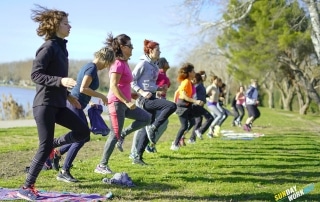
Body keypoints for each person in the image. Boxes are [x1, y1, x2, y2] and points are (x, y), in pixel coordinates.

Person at [17, 5, 91, 201]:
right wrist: (61, 81)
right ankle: (26, 187)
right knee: (43, 146)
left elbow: (57, 79)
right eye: (66, 23)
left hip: (58, 103)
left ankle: (54, 147)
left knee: (83, 132)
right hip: (44, 104)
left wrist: (68, 96)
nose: (70, 26)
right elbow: (36, 74)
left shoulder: (61, 48)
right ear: (55, 25)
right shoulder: (48, 47)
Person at [51, 47, 115, 183]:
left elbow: (83, 89)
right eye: (108, 63)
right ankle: (64, 171)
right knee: (82, 136)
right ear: (105, 59)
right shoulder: (91, 68)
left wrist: (91, 101)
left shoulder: (90, 67)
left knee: (84, 137)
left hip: (77, 103)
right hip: (74, 103)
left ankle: (58, 153)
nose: (107, 66)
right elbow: (83, 88)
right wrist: (101, 96)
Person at [94, 33, 151, 174]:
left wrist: (130, 95)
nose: (132, 48)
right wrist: (126, 100)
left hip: (125, 102)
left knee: (146, 118)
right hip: (117, 103)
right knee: (114, 134)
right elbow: (113, 85)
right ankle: (101, 165)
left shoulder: (124, 63)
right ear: (122, 47)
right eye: (130, 45)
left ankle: (123, 135)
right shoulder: (118, 63)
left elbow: (122, 84)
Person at [130, 40, 177, 164]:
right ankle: (154, 127)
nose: (160, 52)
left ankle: (138, 157)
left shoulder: (154, 65)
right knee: (171, 106)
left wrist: (159, 88)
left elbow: (150, 84)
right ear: (150, 51)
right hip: (143, 99)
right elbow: (131, 80)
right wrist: (141, 91)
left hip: (151, 96)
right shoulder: (142, 64)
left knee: (147, 125)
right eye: (158, 50)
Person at [130, 57, 171, 155]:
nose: (168, 63)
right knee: (144, 125)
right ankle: (136, 151)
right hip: (151, 99)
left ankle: (148, 145)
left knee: (157, 123)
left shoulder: (162, 74)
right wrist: (156, 93)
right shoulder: (157, 72)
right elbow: (150, 84)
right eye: (166, 61)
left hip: (159, 100)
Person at [171, 63, 204, 151]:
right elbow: (184, 96)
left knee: (193, 122)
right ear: (189, 73)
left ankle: (178, 140)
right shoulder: (185, 82)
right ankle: (174, 144)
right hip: (182, 106)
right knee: (184, 126)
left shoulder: (189, 82)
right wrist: (196, 101)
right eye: (193, 71)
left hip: (187, 106)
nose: (195, 72)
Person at [188, 72, 214, 143]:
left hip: (200, 105)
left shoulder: (201, 85)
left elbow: (201, 95)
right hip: (196, 105)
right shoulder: (197, 85)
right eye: (204, 76)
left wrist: (207, 95)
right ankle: (199, 131)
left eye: (205, 75)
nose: (205, 77)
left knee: (198, 122)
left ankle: (192, 139)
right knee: (210, 118)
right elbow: (191, 91)